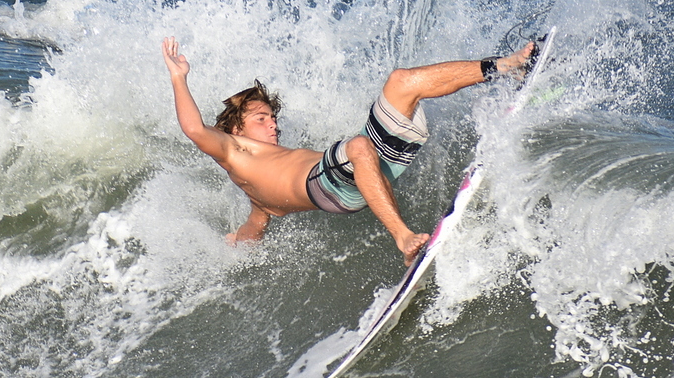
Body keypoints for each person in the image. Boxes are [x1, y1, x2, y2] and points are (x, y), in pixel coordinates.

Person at [161, 36, 537, 266]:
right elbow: (194, 128)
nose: (272, 124)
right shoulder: (233, 152)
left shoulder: (258, 196)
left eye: (273, 117)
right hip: (331, 183)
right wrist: (179, 77)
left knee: (401, 82)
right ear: (235, 129)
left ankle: (507, 67)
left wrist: (234, 244)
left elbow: (254, 230)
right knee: (357, 146)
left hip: (363, 168)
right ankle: (404, 238)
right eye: (261, 118)